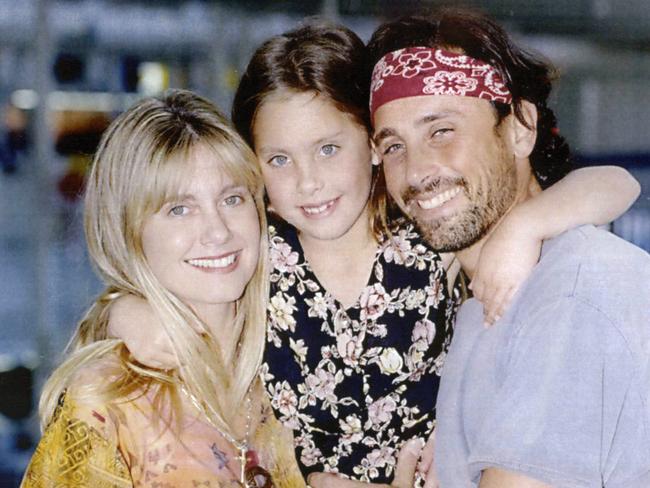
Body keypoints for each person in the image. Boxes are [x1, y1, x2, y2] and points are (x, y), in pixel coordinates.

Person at [110, 21, 640, 487]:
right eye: (278, 159)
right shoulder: (255, 258)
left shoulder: (424, 236)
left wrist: (526, 225)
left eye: (328, 149)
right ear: (255, 169)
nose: (309, 181)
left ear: (369, 146)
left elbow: (616, 184)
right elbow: (155, 295)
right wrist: (129, 313)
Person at [363, 9, 650, 487]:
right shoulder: (491, 293)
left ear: (519, 127)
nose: (416, 172)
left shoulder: (569, 294)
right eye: (394, 146)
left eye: (441, 131)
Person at [20, 90, 304, 488]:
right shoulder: (109, 402)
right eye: (179, 209)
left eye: (232, 198)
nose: (218, 231)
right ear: (128, 232)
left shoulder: (294, 362)